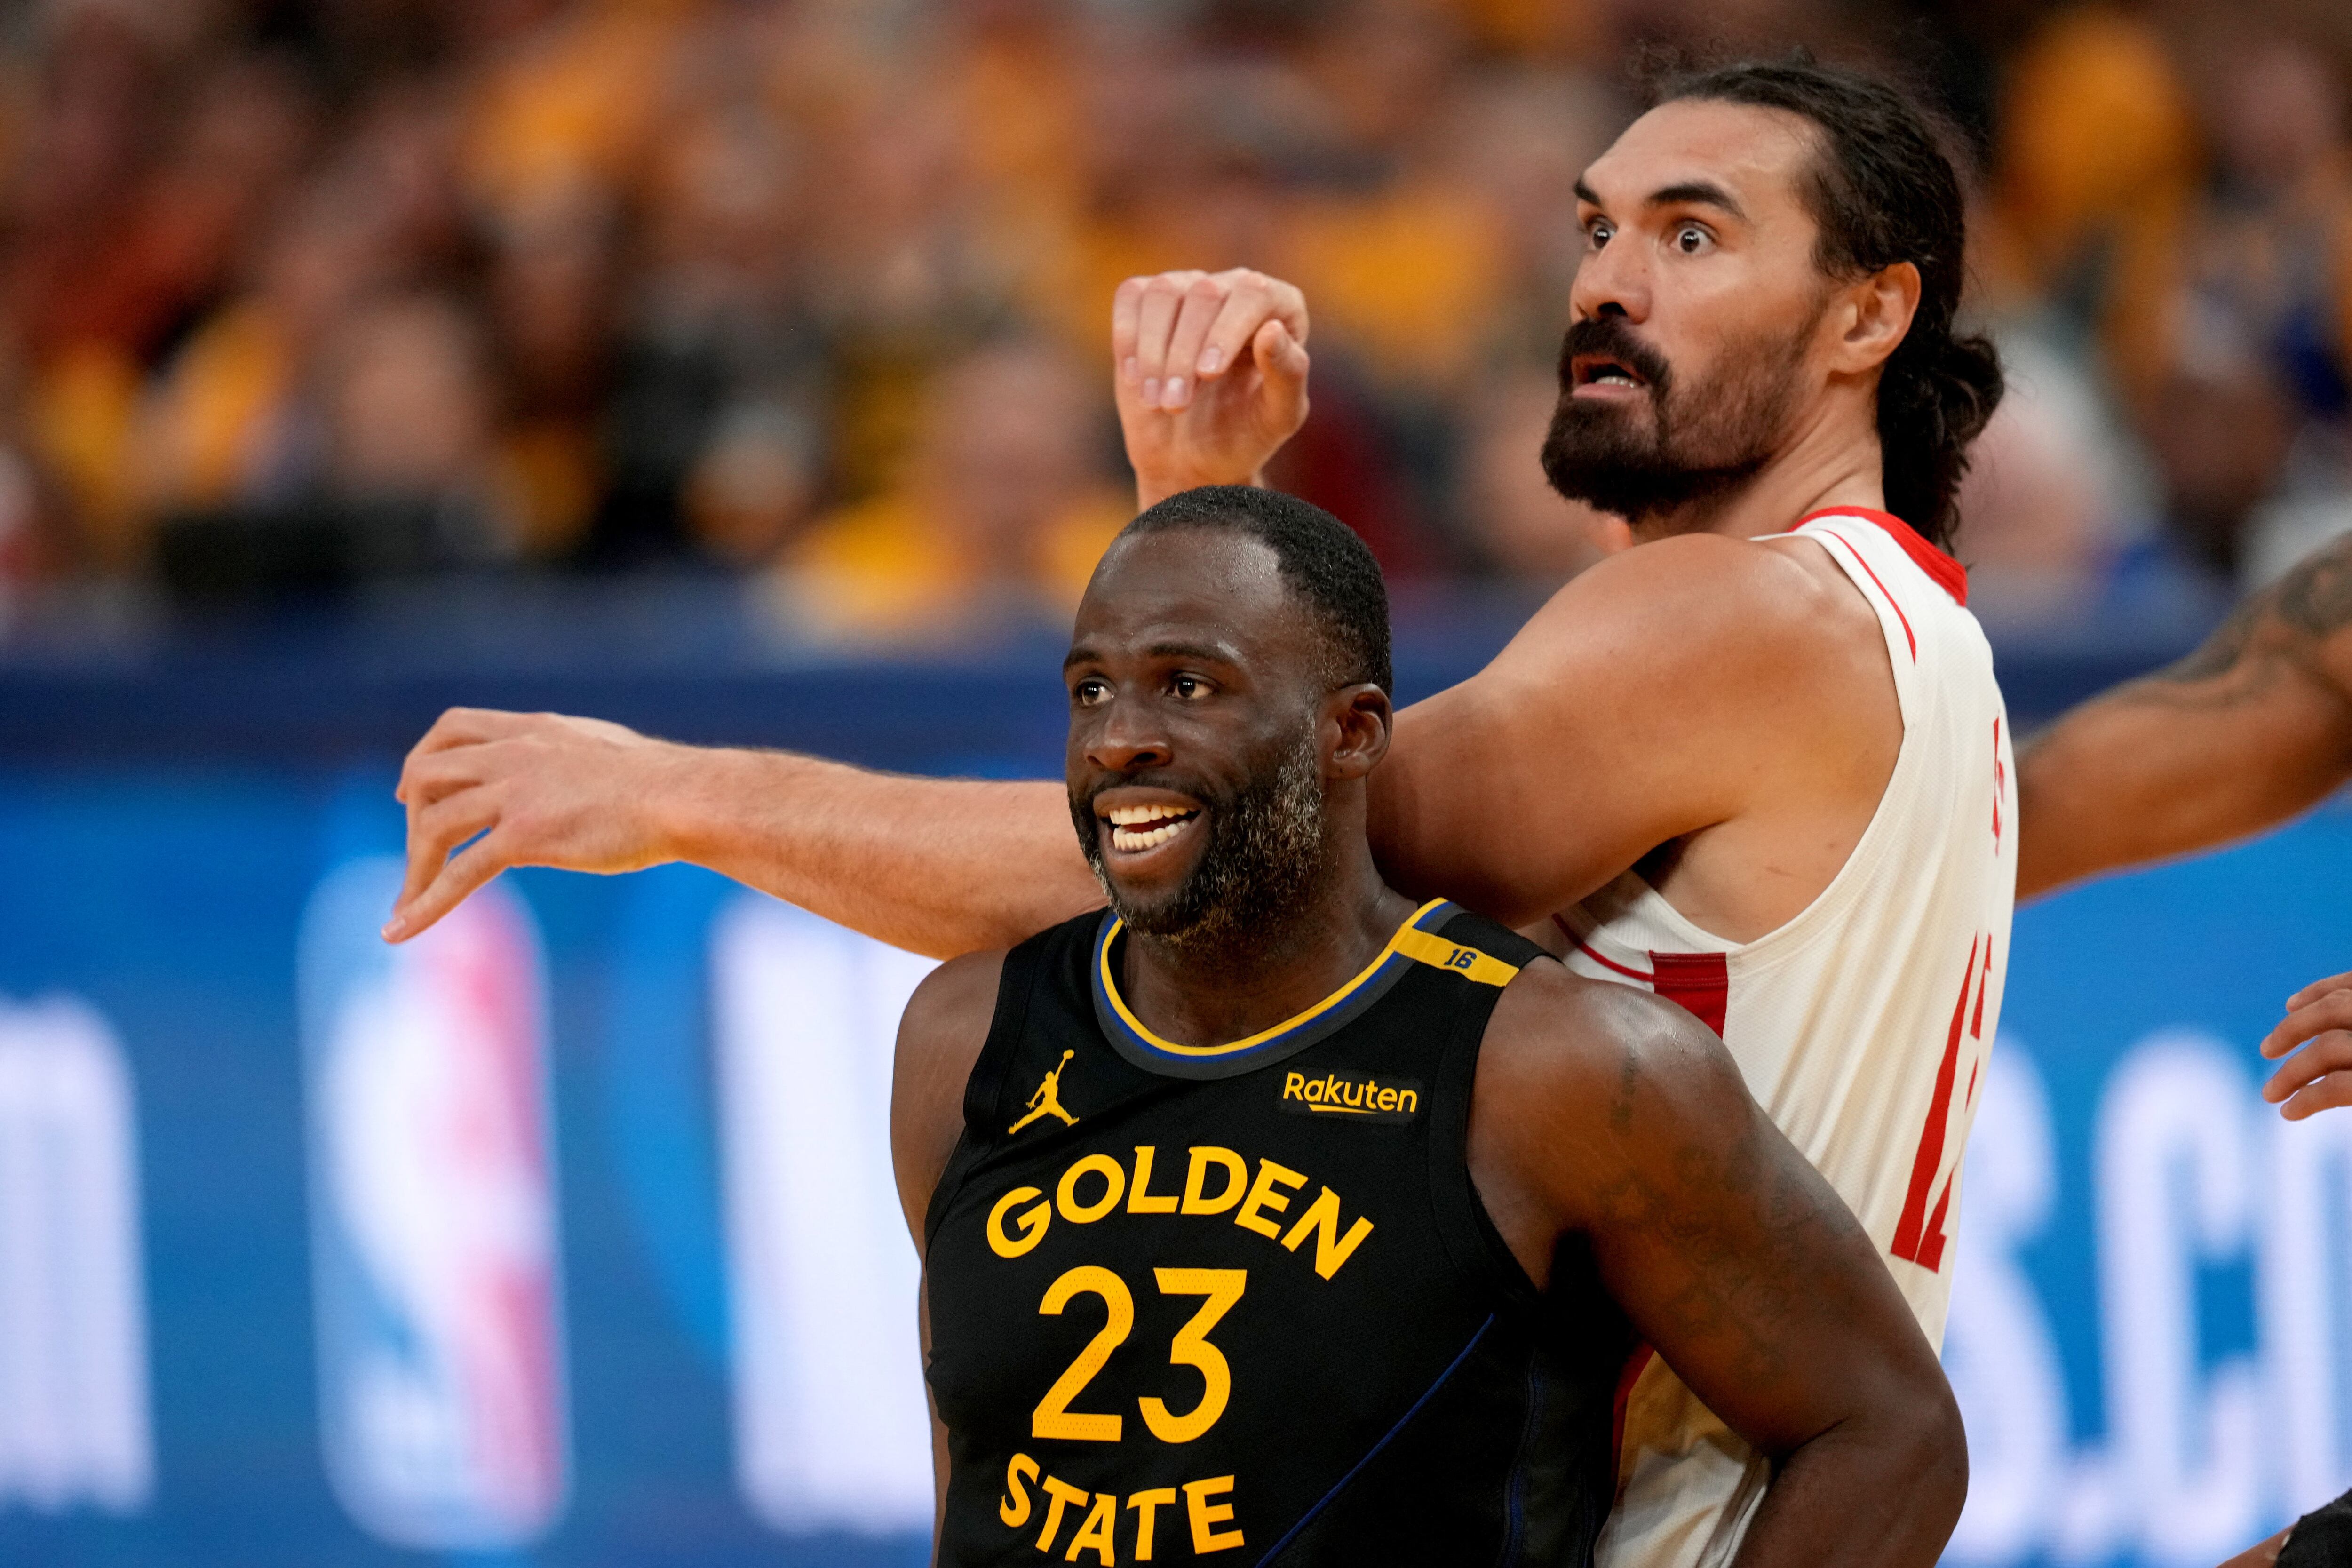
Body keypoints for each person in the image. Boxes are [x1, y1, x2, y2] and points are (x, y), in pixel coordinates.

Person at [393, 59, 2009, 1563]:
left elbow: (1234, 863)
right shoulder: (1897, 629)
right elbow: (1260, 880)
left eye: (1694, 232)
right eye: (1597, 226)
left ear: (1870, 314)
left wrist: (671, 789)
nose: (1605, 279)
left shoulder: (1735, 620)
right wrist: (1203, 514)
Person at [896, 484, 1964, 1566]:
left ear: (1351, 732)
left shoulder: (1558, 1070)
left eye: (1187, 685)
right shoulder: (962, 1036)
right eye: (1091, 689)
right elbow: (980, 1476)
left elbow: (1892, 1434)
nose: (1119, 738)